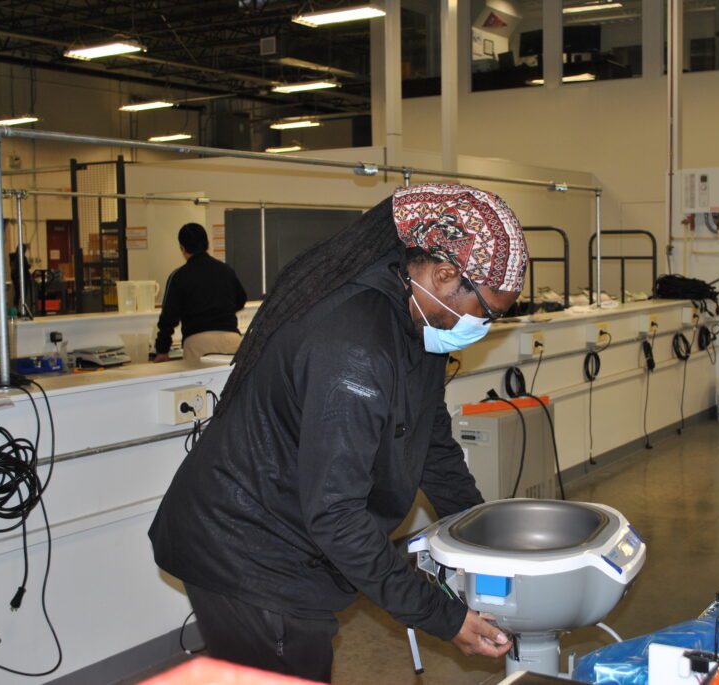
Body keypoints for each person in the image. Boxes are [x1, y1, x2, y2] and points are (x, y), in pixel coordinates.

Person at [148, 184, 528, 682]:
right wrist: (444, 616)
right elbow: (337, 516)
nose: (485, 327)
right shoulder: (355, 346)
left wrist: (481, 540)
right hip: (246, 546)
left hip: (288, 529)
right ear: (444, 274)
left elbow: (432, 442)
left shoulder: (420, 321)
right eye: (488, 313)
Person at [153, 223, 247, 364]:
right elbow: (241, 299)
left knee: (201, 379)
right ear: (207, 243)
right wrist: (221, 310)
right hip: (231, 339)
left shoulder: (178, 276)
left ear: (182, 248)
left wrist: (162, 349)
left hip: (197, 343)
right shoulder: (226, 270)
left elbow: (168, 318)